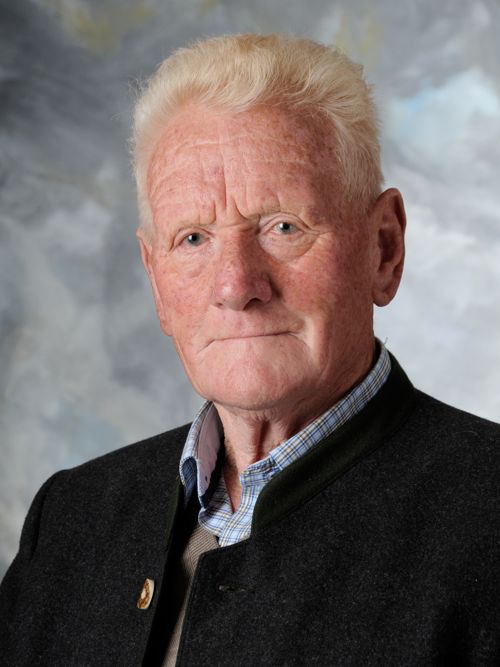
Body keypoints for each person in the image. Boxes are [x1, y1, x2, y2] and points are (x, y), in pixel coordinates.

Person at [1, 33, 499, 667]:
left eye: (283, 226)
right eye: (193, 239)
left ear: (384, 248)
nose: (236, 287)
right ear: (155, 279)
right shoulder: (72, 519)